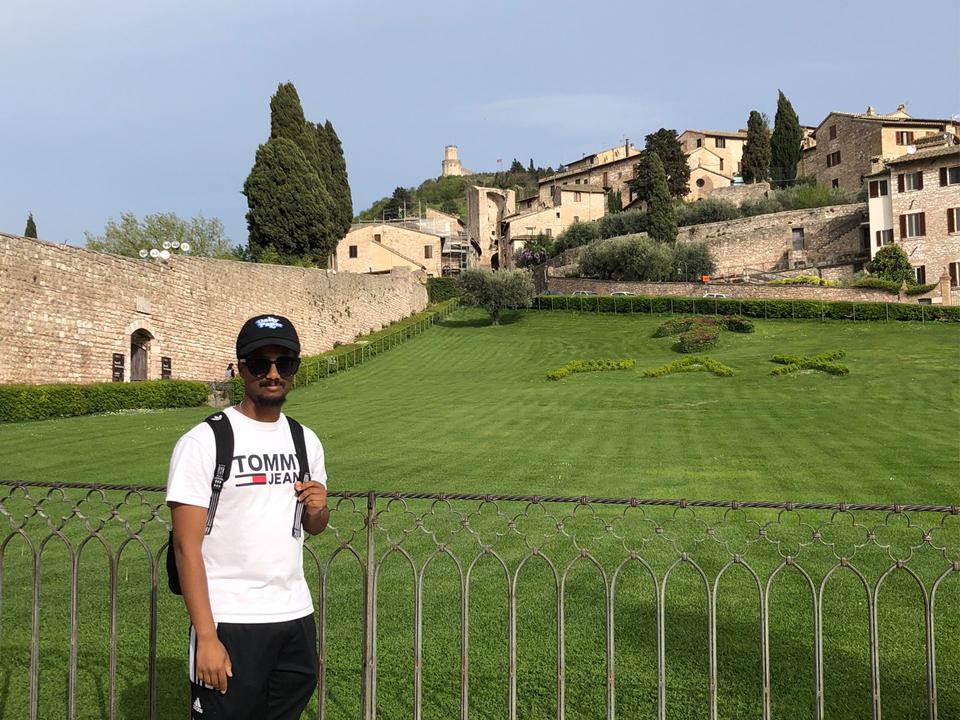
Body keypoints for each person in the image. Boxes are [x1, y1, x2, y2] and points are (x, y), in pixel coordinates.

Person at [167, 314, 329, 720]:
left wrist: (319, 508)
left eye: (284, 363)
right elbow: (186, 546)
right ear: (241, 369)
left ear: (294, 369)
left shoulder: (304, 440)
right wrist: (206, 635)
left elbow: (314, 526)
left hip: (294, 615)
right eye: (260, 363)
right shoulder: (204, 441)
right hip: (230, 619)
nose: (273, 373)